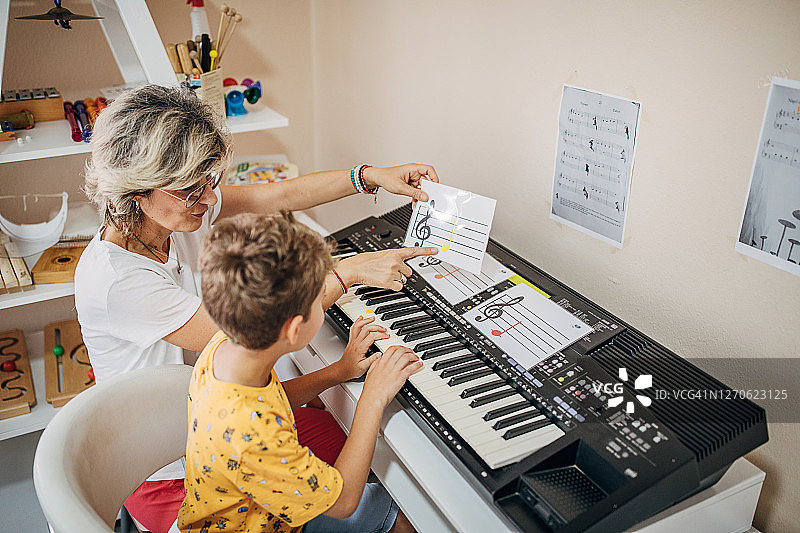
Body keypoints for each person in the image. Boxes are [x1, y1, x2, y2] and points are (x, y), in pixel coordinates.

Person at [75, 84, 438, 532]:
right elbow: (259, 323)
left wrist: (369, 176)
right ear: (137, 191)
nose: (209, 200)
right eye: (192, 189)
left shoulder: (219, 363)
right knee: (389, 495)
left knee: (368, 456)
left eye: (208, 182)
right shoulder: (116, 281)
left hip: (211, 432)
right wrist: (348, 273)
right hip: (173, 473)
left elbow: (277, 197)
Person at [179, 211, 420, 532]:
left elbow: (271, 400)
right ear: (294, 329)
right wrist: (371, 400)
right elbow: (344, 502)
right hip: (259, 524)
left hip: (245, 505)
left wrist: (339, 371)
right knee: (401, 514)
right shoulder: (252, 438)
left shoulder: (225, 345)